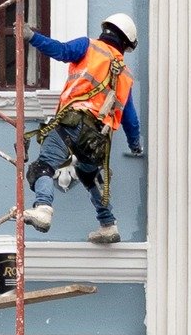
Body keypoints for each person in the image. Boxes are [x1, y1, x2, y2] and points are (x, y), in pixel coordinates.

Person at [22, 13, 144, 244]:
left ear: (107, 29)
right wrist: (135, 146)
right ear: (126, 43)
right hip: (99, 139)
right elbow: (130, 119)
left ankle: (43, 208)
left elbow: (61, 51)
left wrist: (32, 37)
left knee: (43, 165)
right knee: (89, 176)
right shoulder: (125, 75)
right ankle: (108, 224)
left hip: (73, 122)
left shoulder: (89, 46)